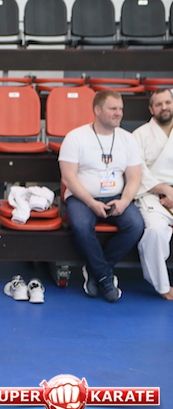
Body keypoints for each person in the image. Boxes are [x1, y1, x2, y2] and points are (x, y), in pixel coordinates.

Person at [59, 90, 144, 302]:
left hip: (116, 197)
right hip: (82, 198)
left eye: (120, 109)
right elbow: (68, 177)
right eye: (113, 108)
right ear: (97, 110)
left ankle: (95, 270)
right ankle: (106, 278)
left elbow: (135, 177)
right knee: (81, 225)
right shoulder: (76, 137)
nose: (118, 113)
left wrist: (124, 201)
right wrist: (91, 202)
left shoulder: (128, 139)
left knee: (135, 225)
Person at [133, 88, 173, 300]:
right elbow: (137, 171)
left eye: (168, 102)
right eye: (159, 104)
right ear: (151, 109)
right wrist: (165, 190)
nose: (164, 107)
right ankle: (163, 286)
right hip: (151, 195)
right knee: (155, 231)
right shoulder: (139, 135)